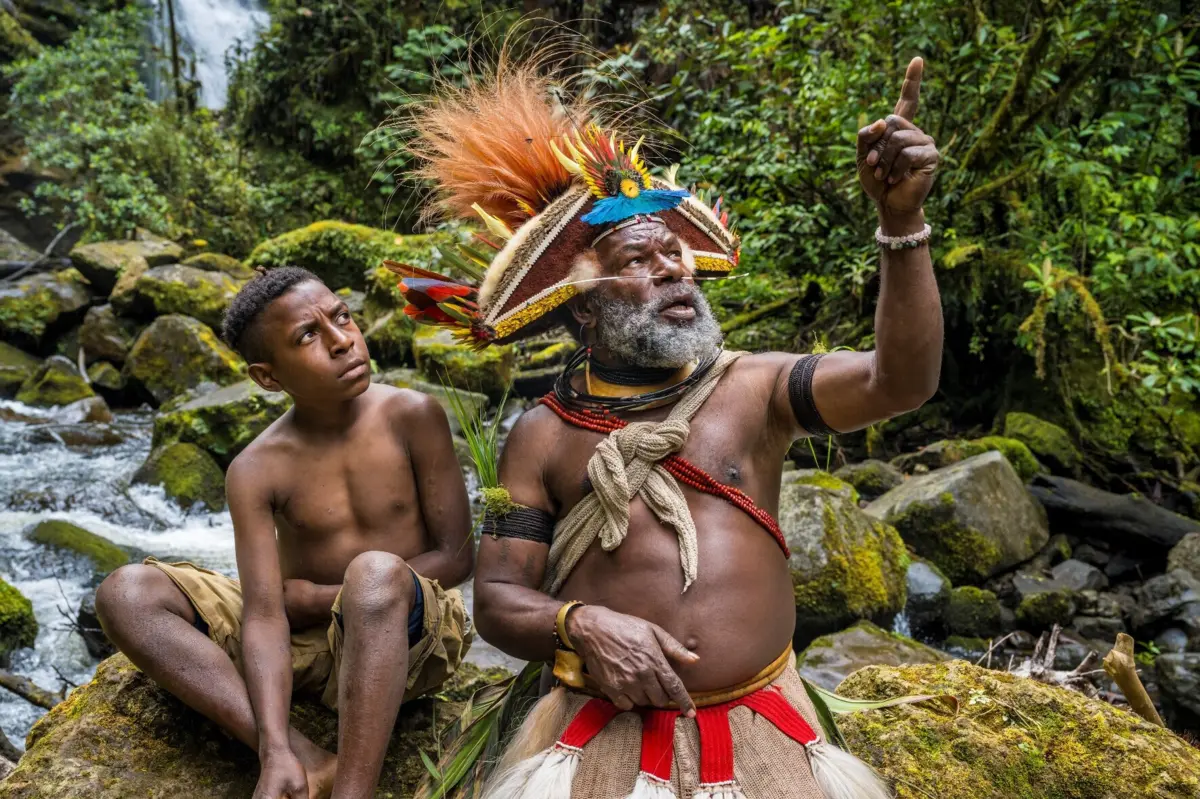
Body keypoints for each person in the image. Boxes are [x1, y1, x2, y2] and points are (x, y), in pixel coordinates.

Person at [391, 55, 940, 798]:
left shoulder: (757, 388)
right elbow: (498, 601)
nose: (674, 269)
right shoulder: (543, 435)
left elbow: (898, 382)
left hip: (767, 721)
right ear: (583, 307)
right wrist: (582, 625)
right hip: (597, 728)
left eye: (676, 254)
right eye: (639, 259)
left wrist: (900, 221)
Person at [95, 266, 474, 799]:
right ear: (268, 377)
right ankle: (301, 756)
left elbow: (456, 558)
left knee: (374, 571)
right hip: (301, 648)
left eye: (341, 317)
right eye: (308, 336)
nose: (343, 341)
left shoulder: (412, 414)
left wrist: (324, 598)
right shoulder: (255, 468)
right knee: (127, 591)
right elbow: (266, 613)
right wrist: (272, 745)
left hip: (406, 637)